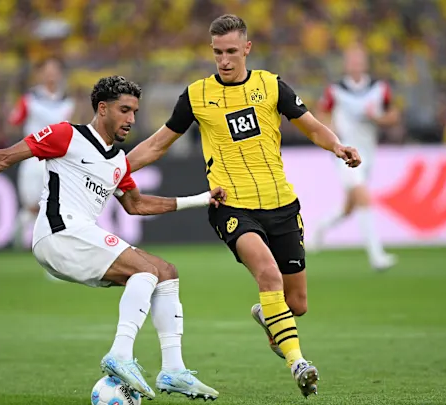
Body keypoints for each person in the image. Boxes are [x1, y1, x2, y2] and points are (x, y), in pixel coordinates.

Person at [0, 76, 222, 401]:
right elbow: (4, 157)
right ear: (102, 109)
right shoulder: (65, 135)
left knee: (166, 273)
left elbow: (137, 205)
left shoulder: (117, 161)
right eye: (124, 110)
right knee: (145, 271)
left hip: (78, 238)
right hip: (58, 233)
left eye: (135, 111)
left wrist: (200, 199)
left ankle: (173, 370)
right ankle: (120, 354)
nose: (131, 119)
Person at [126, 14, 361, 398]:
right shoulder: (197, 96)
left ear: (247, 48)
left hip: (281, 204)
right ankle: (299, 363)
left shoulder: (270, 86)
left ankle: (268, 316)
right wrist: (115, 167)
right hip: (232, 206)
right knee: (267, 274)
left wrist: (337, 146)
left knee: (295, 305)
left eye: (232, 51)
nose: (224, 60)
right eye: (217, 52)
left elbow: (312, 125)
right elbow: (156, 144)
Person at [313, 44, 399, 270]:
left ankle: (319, 228)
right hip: (346, 154)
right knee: (363, 196)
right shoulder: (336, 90)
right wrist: (330, 131)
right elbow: (320, 113)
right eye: (351, 61)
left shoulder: (379, 89)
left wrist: (377, 117)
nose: (355, 65)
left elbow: (393, 116)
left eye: (359, 61)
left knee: (349, 207)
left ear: (365, 63)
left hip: (369, 153)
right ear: (346, 64)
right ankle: (376, 255)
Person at [9, 57, 76, 249]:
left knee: (55, 207)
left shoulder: (67, 101)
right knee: (32, 205)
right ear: (40, 74)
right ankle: (19, 234)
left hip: (56, 160)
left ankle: (52, 249)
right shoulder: (29, 99)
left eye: (55, 70)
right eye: (47, 70)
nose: (51, 74)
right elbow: (13, 122)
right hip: (32, 158)